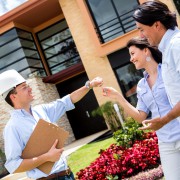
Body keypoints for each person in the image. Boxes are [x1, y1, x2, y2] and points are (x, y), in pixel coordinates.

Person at [0, 69, 103, 180]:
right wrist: (46, 157)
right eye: (24, 87)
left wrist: (89, 85)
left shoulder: (41, 110)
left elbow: (67, 101)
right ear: (13, 97)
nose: (30, 89)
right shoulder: (12, 127)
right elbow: (13, 165)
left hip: (67, 175)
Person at [102, 37, 180, 179]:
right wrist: (119, 97)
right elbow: (140, 116)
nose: (131, 59)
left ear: (145, 50)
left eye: (132, 53)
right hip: (165, 142)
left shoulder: (168, 71)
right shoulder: (142, 85)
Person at [132, 0, 180, 131]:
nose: (141, 36)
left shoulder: (176, 46)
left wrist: (165, 120)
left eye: (142, 29)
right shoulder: (168, 48)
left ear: (157, 25)